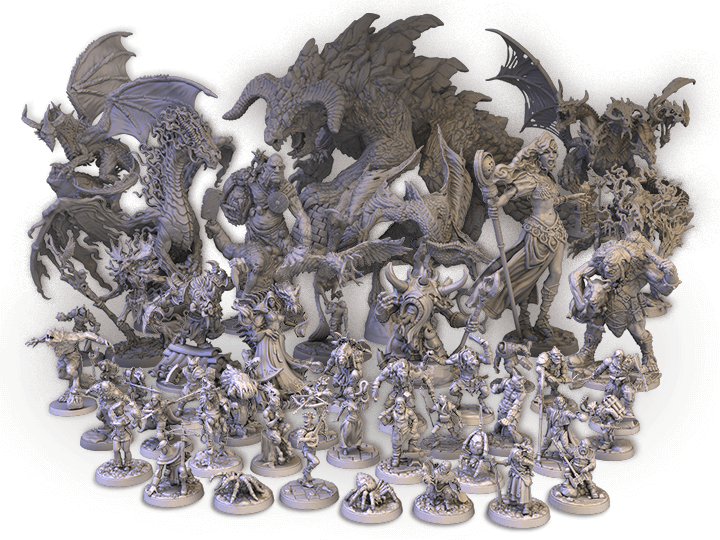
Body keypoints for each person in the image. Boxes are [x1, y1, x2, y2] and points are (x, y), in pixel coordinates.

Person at [466, 132, 588, 339]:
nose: (552, 157)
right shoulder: (531, 179)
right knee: (526, 277)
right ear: (538, 155)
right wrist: (496, 202)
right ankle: (520, 316)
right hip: (538, 233)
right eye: (548, 153)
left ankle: (543, 319)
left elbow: (552, 202)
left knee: (557, 273)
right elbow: (509, 194)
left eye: (555, 153)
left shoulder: (550, 180)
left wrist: (572, 198)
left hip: (557, 231)